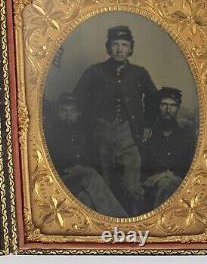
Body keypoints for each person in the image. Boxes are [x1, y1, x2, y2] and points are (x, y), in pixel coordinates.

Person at [73, 26, 157, 215]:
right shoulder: (94, 71)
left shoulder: (139, 73)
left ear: (130, 49)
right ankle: (109, 227)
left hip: (129, 135)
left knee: (131, 185)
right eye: (115, 45)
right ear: (108, 47)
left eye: (124, 45)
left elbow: (154, 99)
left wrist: (149, 124)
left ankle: (134, 225)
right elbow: (77, 98)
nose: (120, 49)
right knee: (105, 182)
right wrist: (90, 120)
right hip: (101, 135)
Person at [43, 93, 128, 217]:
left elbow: (92, 160)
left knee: (86, 199)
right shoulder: (49, 133)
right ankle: (121, 221)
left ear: (78, 114)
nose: (68, 115)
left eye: (72, 111)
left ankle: (104, 229)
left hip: (79, 181)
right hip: (59, 179)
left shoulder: (85, 134)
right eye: (63, 111)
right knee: (91, 174)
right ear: (58, 113)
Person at [142, 87, 197, 211]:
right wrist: (163, 176)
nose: (168, 110)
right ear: (158, 107)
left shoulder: (186, 137)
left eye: (173, 106)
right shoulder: (148, 135)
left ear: (178, 109)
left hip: (180, 187)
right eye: (164, 105)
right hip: (151, 186)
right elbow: (142, 169)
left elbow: (192, 167)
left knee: (173, 184)